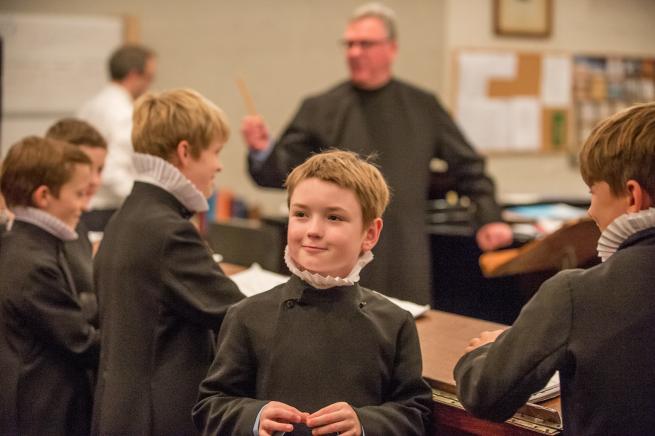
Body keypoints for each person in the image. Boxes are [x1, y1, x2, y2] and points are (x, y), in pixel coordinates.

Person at [241, 2, 512, 305]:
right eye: (349, 44)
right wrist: (261, 151)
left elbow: (469, 166)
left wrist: (490, 217)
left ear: (392, 49)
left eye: (365, 44)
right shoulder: (319, 107)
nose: (354, 52)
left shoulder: (423, 106)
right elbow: (280, 173)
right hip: (333, 258)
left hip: (403, 254)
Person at [193, 150, 432, 436]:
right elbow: (211, 407)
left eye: (334, 217)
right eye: (301, 214)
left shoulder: (395, 323)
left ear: (370, 234)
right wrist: (255, 418)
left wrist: (365, 424)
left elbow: (415, 412)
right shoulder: (247, 316)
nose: (313, 230)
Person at [454, 102, 655, 435]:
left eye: (593, 192)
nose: (590, 210)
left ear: (633, 196)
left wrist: (492, 349)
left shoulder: (576, 294)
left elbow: (484, 393)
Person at [91, 88, 245, 436]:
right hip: (156, 416)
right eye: (216, 153)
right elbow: (237, 314)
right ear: (185, 152)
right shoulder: (168, 231)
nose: (219, 165)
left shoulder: (127, 216)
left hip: (122, 411)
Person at [0, 136, 99, 436]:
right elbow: (80, 342)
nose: (83, 205)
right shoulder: (34, 262)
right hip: (41, 412)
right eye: (78, 193)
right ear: (44, 196)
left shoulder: (25, 244)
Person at [78, 43, 157, 230]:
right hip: (106, 210)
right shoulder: (124, 113)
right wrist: (148, 202)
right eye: (149, 78)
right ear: (133, 75)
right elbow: (111, 171)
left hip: (86, 206)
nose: (149, 85)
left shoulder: (89, 106)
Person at [46, 117, 108, 323]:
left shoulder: (77, 225)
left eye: (100, 170)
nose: (95, 181)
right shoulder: (39, 235)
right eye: (88, 169)